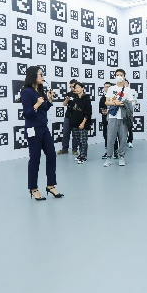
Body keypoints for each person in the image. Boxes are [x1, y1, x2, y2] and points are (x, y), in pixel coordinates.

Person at [20, 66, 63, 200]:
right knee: (35, 158)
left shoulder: (39, 91)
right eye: (40, 74)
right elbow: (27, 114)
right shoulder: (26, 92)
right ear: (33, 76)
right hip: (33, 129)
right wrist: (37, 105)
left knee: (51, 155)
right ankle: (33, 188)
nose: (43, 77)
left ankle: (50, 185)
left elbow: (44, 109)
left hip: (43, 128)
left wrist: (49, 99)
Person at [103, 69, 134, 167]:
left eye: (121, 75)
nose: (119, 76)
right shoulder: (111, 88)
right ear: (115, 76)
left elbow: (132, 103)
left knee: (123, 138)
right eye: (117, 75)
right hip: (112, 116)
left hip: (124, 117)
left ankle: (121, 157)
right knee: (110, 138)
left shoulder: (128, 90)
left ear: (124, 77)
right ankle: (108, 158)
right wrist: (114, 103)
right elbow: (106, 102)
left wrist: (123, 103)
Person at [70, 82, 92, 164]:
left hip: (83, 123)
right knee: (78, 140)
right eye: (75, 88)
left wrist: (83, 123)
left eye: (78, 87)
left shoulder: (87, 99)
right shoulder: (75, 99)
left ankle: (84, 156)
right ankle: (80, 154)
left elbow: (88, 113)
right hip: (75, 123)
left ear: (83, 88)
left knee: (83, 141)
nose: (77, 89)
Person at [57, 79, 79, 155]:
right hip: (68, 116)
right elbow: (64, 104)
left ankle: (74, 149)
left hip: (76, 117)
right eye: (70, 87)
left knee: (75, 134)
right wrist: (67, 100)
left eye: (73, 86)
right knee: (65, 133)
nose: (72, 88)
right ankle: (64, 149)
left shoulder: (80, 94)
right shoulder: (68, 94)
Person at [99, 82, 115, 159]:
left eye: (108, 87)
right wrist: (103, 111)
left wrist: (108, 111)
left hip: (114, 119)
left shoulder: (115, 97)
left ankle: (115, 151)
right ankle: (107, 151)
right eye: (105, 87)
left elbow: (116, 108)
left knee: (114, 135)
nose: (107, 88)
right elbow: (100, 108)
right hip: (105, 119)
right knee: (106, 135)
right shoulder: (102, 98)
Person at [124, 80, 138, 148]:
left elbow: (134, 102)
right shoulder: (119, 91)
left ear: (128, 84)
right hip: (121, 112)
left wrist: (128, 104)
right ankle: (122, 141)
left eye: (126, 83)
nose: (124, 84)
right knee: (122, 128)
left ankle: (129, 141)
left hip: (129, 112)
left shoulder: (132, 92)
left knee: (129, 127)